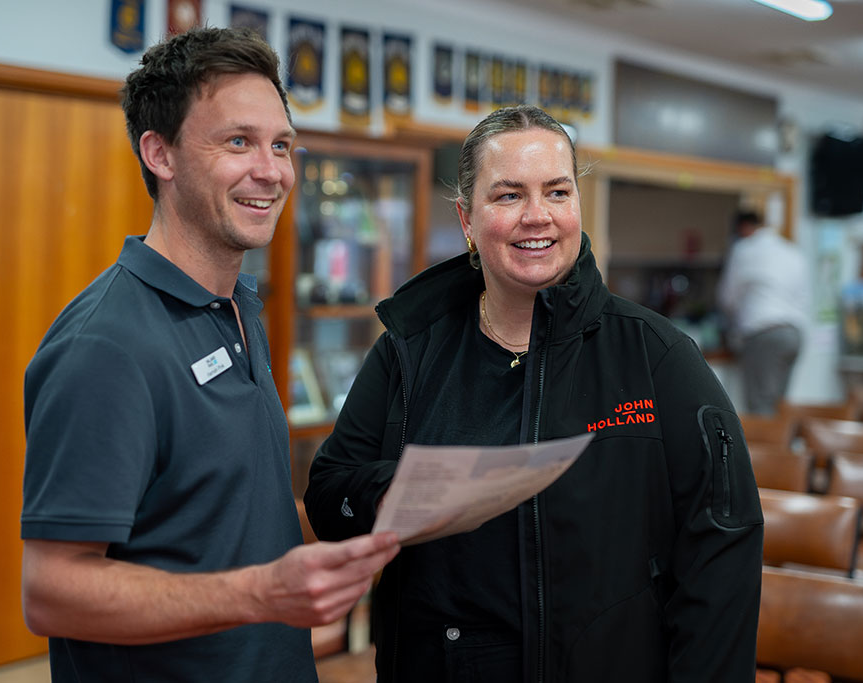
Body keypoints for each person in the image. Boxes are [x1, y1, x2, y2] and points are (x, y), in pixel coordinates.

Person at [304, 105, 763, 682]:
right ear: (467, 219)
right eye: (508, 195)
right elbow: (329, 500)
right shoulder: (409, 349)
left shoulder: (656, 356)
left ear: (577, 205)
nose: (537, 216)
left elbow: (721, 554)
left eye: (557, 192)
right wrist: (417, 489)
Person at [20, 27, 399, 682]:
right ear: (159, 153)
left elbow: (219, 517)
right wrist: (259, 592)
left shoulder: (237, 307)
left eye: (281, 145)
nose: (272, 170)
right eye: (238, 142)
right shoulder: (106, 345)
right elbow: (51, 589)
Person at [717, 209, 810, 415]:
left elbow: (727, 297)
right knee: (780, 405)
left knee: (761, 408)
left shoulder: (744, 249)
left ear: (743, 228)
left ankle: (769, 448)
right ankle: (782, 446)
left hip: (764, 333)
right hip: (795, 333)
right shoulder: (792, 251)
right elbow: (803, 296)